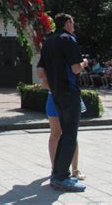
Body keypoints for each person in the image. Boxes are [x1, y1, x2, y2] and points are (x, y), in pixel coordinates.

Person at [37, 13, 88, 192]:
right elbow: (75, 68)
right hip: (69, 91)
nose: (74, 26)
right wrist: (84, 63)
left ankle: (57, 174)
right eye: (73, 22)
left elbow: (40, 71)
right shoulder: (69, 40)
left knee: (62, 134)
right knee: (70, 134)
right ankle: (61, 178)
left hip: (55, 93)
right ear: (67, 23)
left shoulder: (48, 41)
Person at [37, 69, 86, 182]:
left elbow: (78, 67)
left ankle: (75, 169)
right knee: (56, 133)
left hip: (70, 98)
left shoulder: (70, 55)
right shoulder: (49, 55)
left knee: (71, 133)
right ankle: (55, 169)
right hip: (55, 98)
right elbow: (43, 81)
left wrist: (83, 62)